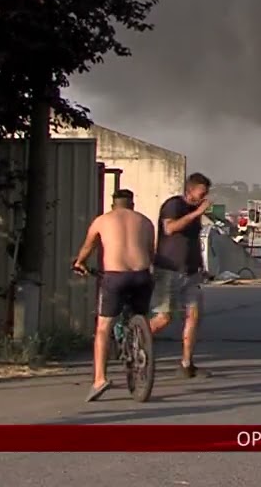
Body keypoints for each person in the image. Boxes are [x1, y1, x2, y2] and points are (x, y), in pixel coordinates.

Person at [71, 188, 155, 402]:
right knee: (141, 315)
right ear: (132, 204)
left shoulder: (102, 220)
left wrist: (80, 263)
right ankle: (141, 341)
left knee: (102, 328)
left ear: (113, 205)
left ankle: (100, 379)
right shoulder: (145, 222)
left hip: (115, 278)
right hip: (142, 276)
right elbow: (150, 252)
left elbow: (88, 247)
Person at [150, 172, 212, 378]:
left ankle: (187, 363)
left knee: (194, 315)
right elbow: (170, 229)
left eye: (206, 194)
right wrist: (196, 214)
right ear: (190, 190)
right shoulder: (174, 205)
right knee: (164, 318)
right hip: (169, 270)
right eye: (201, 193)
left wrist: (202, 266)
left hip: (191, 271)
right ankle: (136, 338)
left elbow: (193, 241)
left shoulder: (195, 211)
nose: (203, 197)